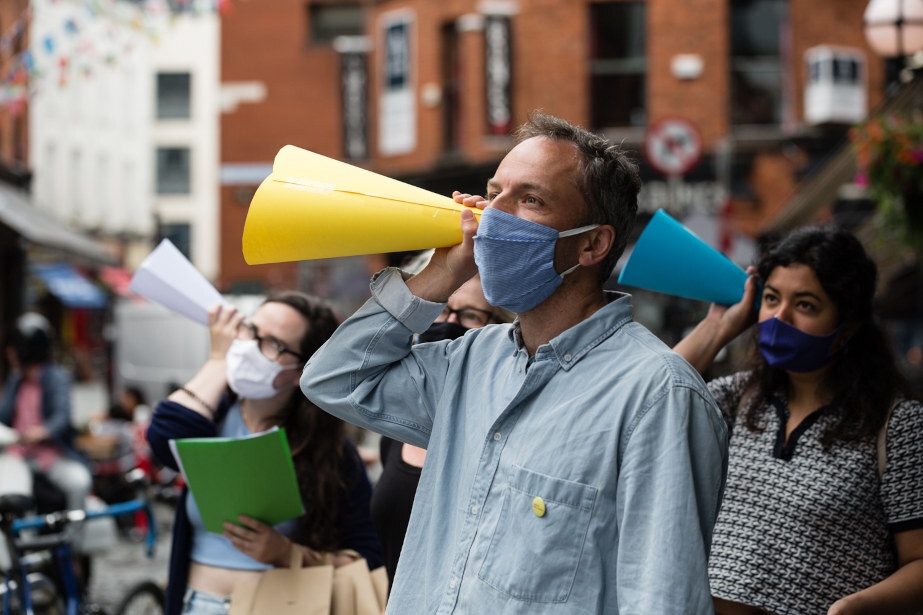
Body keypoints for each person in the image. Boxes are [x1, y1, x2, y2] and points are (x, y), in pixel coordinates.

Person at [301, 111, 729, 613]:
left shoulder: (656, 395)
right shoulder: (470, 362)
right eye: (492, 192)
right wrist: (439, 274)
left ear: (593, 243)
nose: (492, 216)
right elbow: (334, 379)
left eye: (530, 200)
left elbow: (662, 600)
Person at [674, 226, 923, 614]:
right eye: (771, 299)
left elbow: (919, 563)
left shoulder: (897, 427)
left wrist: (853, 607)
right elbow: (650, 403)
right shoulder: (736, 398)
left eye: (805, 305)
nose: (779, 318)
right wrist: (719, 327)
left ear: (849, 328)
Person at [146, 291, 383, 615]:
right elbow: (163, 437)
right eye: (249, 330)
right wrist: (218, 361)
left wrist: (285, 553)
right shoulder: (210, 416)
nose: (250, 347)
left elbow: (370, 553)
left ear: (303, 370)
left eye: (272, 343)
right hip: (194, 603)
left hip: (277, 605)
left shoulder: (329, 450)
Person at [369, 256, 513, 588]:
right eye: (438, 308)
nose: (448, 322)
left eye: (470, 315)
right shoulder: (396, 429)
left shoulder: (502, 433)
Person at [0, 312, 92, 511]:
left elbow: (62, 416)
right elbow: (4, 415)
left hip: (49, 455)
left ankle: (72, 539)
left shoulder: (56, 378)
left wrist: (43, 431)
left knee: (79, 482)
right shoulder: (16, 379)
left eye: (13, 347)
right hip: (17, 454)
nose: (9, 353)